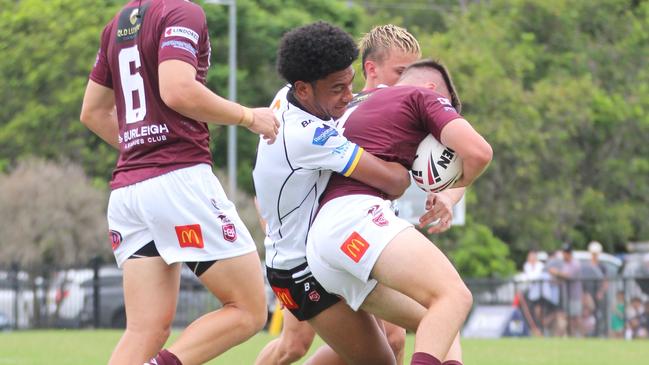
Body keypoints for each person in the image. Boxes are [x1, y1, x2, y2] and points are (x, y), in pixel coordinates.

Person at [79, 1, 280, 364]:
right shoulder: (181, 11)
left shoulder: (118, 23)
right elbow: (178, 91)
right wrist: (249, 117)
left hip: (128, 192)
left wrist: (142, 148)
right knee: (249, 309)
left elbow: (92, 112)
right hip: (178, 183)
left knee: (146, 330)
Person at [253, 21, 422, 365]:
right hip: (299, 269)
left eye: (350, 83)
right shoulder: (310, 137)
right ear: (303, 89)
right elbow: (394, 181)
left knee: (402, 333)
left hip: (330, 250)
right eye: (337, 89)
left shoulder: (288, 98)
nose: (348, 95)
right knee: (304, 348)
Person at [306, 59, 492, 365]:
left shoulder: (365, 105)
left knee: (439, 319)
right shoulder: (422, 96)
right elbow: (479, 152)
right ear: (433, 90)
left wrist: (449, 193)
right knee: (455, 296)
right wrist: (458, 184)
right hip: (356, 216)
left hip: (322, 244)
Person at [548, 243, 583, 337]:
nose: (564, 255)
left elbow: (568, 276)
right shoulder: (564, 264)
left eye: (565, 253)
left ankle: (582, 336)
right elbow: (562, 279)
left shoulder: (575, 264)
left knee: (575, 318)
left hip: (574, 295)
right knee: (568, 317)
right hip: (566, 296)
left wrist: (556, 272)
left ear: (569, 253)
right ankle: (571, 336)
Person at [581, 241, 607, 336]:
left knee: (599, 315)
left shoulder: (602, 266)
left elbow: (605, 281)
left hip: (598, 296)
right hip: (588, 295)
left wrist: (601, 292)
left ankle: (599, 333)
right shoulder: (586, 266)